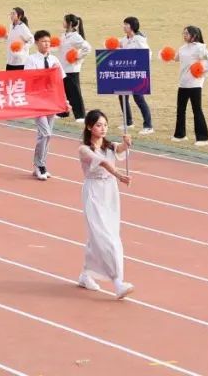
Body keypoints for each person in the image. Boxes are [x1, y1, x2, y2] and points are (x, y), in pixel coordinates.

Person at [77, 110, 134, 300]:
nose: (103, 129)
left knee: (104, 235)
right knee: (106, 238)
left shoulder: (110, 146)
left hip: (110, 193)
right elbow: (102, 163)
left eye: (105, 125)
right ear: (89, 127)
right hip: (94, 193)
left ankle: (86, 274)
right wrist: (118, 175)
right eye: (99, 125)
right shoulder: (84, 149)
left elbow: (119, 150)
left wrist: (126, 143)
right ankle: (118, 283)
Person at [25, 30, 70, 181]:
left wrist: (64, 101)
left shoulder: (54, 59)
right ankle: (39, 165)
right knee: (45, 133)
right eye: (43, 41)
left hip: (52, 101)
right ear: (37, 43)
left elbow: (60, 82)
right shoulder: (31, 60)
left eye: (48, 42)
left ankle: (41, 164)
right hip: (38, 101)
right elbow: (29, 80)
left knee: (47, 134)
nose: (46, 44)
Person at [173, 25, 208, 146]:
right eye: (183, 33)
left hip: (195, 84)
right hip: (183, 83)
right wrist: (166, 54)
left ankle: (202, 138)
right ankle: (180, 135)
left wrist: (201, 68)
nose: (184, 35)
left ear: (194, 36)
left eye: (187, 33)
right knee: (180, 110)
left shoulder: (199, 48)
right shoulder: (182, 48)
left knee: (196, 110)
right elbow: (176, 58)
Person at [118, 17, 154, 135]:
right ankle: (128, 122)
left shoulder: (139, 39)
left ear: (132, 26)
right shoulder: (124, 40)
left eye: (126, 24)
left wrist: (139, 65)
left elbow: (147, 54)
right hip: (126, 73)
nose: (124, 26)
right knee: (122, 96)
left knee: (138, 98)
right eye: (124, 24)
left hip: (137, 73)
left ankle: (148, 126)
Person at [59, 14, 92, 122]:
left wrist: (77, 56)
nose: (63, 22)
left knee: (75, 93)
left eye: (64, 21)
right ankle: (63, 112)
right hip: (63, 67)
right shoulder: (64, 35)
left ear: (70, 23)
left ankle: (80, 115)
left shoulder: (76, 36)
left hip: (72, 68)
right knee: (65, 92)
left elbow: (87, 48)